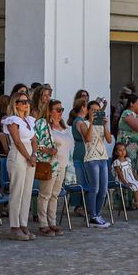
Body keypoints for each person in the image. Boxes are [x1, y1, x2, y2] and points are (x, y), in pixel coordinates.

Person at [1, 92, 37, 240]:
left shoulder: (29, 120)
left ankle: (23, 224)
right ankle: (14, 226)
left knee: (27, 191)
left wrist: (34, 154)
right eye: (22, 101)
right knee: (17, 191)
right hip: (18, 155)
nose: (26, 104)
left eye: (27, 101)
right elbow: (17, 141)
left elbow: (34, 139)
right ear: (15, 104)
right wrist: (28, 157)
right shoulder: (12, 120)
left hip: (30, 155)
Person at [35, 100, 70, 236]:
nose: (61, 112)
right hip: (49, 164)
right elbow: (36, 142)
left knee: (55, 195)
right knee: (45, 194)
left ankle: (52, 222)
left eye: (62, 109)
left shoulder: (62, 125)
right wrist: (48, 150)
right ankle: (43, 224)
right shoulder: (42, 124)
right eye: (58, 109)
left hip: (62, 164)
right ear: (49, 111)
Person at [75, 97, 112, 227]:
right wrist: (91, 122)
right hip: (91, 159)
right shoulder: (84, 124)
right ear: (88, 111)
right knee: (94, 188)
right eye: (93, 110)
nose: (96, 112)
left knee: (103, 190)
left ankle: (97, 214)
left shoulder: (101, 124)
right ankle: (92, 217)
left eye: (98, 110)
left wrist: (105, 125)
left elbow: (109, 140)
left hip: (103, 158)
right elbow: (88, 139)